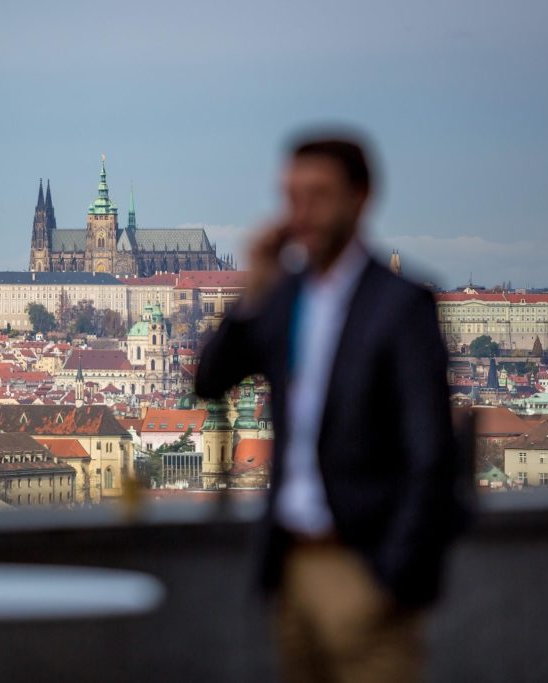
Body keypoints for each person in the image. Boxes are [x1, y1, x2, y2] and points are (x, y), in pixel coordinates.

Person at [195, 133, 467, 682]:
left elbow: (431, 456)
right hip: (293, 567)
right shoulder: (283, 297)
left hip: (364, 568)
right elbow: (210, 380)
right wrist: (255, 284)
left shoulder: (401, 305)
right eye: (292, 196)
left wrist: (391, 579)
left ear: (361, 198)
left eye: (318, 195)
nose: (302, 212)